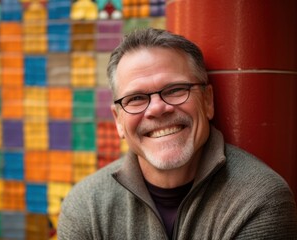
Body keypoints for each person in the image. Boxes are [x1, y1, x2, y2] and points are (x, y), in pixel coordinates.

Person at [58, 28, 297, 239]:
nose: (157, 109)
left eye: (175, 90)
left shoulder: (260, 199)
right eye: (136, 98)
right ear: (118, 120)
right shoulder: (85, 206)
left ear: (207, 101)